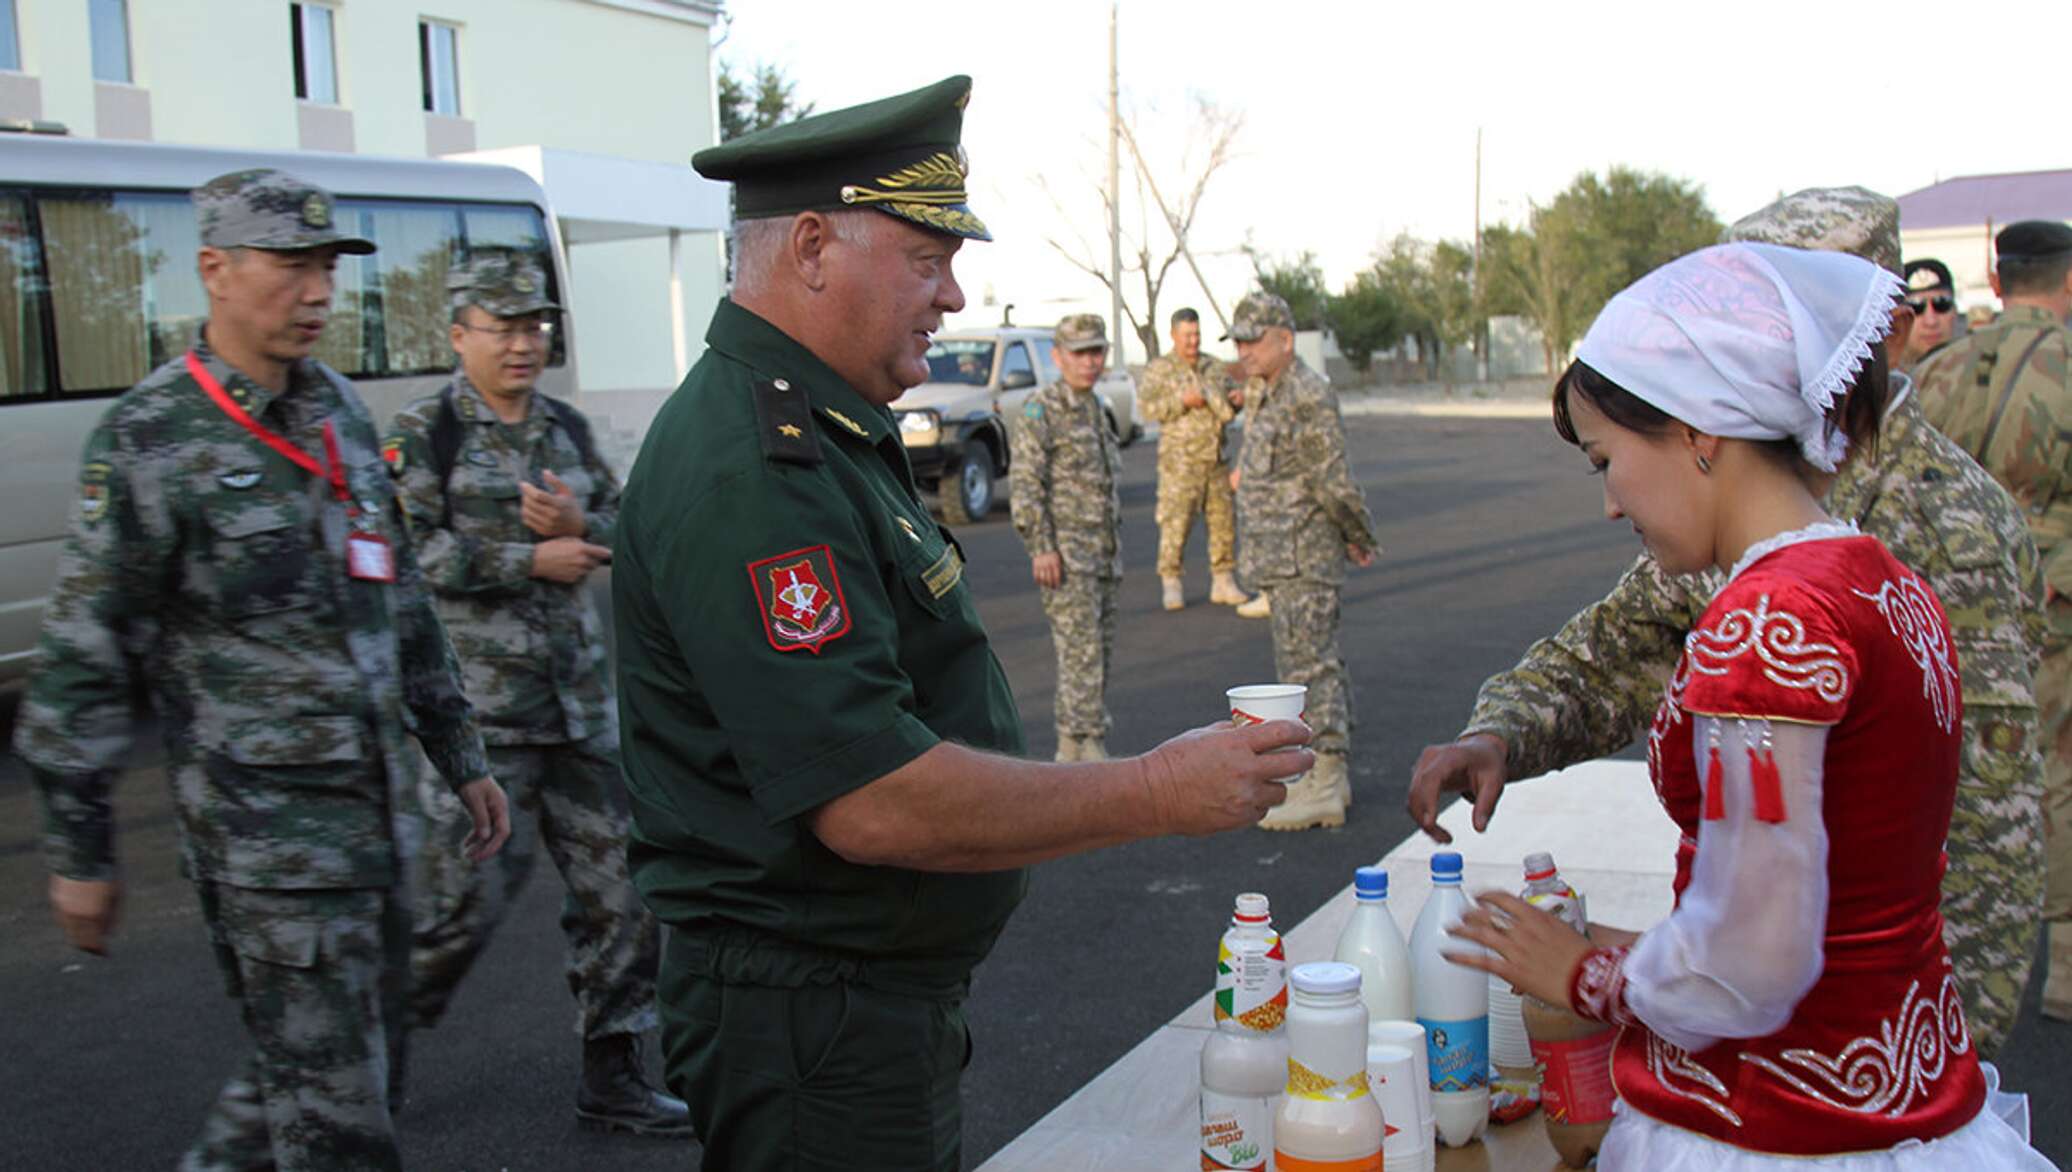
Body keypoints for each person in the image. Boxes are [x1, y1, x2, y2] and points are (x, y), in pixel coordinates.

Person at [614, 75, 1312, 1171]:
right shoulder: (754, 464)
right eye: (924, 258)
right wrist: (1154, 788)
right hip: (811, 1020)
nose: (949, 295)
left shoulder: (825, 427)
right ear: (809, 246)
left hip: (852, 1000)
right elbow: (872, 800)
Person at [1443, 241, 2049, 1169]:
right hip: (1905, 1093)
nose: (1610, 503)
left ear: (1699, 429)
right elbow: (1843, 902)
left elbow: (1752, 967)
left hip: (1776, 1122)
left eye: (1606, 460)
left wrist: (1583, 973)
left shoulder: (1763, 626)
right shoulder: (1881, 583)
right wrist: (1627, 942)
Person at [11, 169, 511, 1171]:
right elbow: (81, 657)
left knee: (339, 1074)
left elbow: (399, 595)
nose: (320, 290)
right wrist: (81, 846)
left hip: (378, 822)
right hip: (269, 846)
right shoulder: (153, 439)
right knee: (340, 1122)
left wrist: (459, 750)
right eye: (292, 265)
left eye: (328, 265)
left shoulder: (334, 409)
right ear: (215, 270)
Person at [381, 254, 690, 1134]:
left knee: (626, 898)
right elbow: (401, 559)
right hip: (482, 723)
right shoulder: (424, 432)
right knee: (452, 913)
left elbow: (636, 525)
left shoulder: (565, 428)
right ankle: (365, 1065)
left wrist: (580, 527)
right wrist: (526, 559)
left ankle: (614, 1073)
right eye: (503, 326)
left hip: (581, 715)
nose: (523, 343)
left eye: (534, 326)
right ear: (458, 335)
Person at [1916, 219, 2072, 1022]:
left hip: (1941, 602)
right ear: (2068, 282)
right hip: (2049, 604)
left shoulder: (1939, 371)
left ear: (1999, 282)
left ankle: (1933, 953)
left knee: (1946, 773)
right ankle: (2064, 964)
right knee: (2053, 776)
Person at [1226, 291, 1380, 830]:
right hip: (1280, 557)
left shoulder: (1307, 394)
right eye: (1239, 341)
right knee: (1301, 667)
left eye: (1254, 340)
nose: (1244, 350)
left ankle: (1326, 779)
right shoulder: (1269, 389)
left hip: (1304, 553)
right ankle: (1314, 773)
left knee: (1312, 669)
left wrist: (1358, 534)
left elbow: (1333, 480)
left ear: (1285, 340)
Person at [1009, 313, 1124, 762]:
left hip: (1103, 554)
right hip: (1068, 556)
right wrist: (1041, 546)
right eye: (1079, 353)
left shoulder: (1098, 407)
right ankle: (1088, 744)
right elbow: (1025, 483)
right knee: (1082, 653)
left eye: (1097, 351)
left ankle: (1070, 750)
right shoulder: (1044, 409)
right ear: (1058, 357)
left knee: (1096, 652)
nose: (1090, 361)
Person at [1138, 307, 1248, 611]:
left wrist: (1237, 402)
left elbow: (1229, 402)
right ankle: (1171, 581)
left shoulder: (1213, 366)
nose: (1193, 341)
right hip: (1180, 463)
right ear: (1173, 335)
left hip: (1216, 458)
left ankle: (1223, 580)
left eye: (1196, 334)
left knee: (1223, 522)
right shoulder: (1160, 369)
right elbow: (1147, 408)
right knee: (1176, 525)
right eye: (1187, 335)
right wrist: (1181, 402)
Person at [1902, 257, 1963, 369]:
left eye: (1941, 304)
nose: (1931, 321)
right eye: (1916, 307)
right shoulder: (1885, 381)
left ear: (1955, 311)